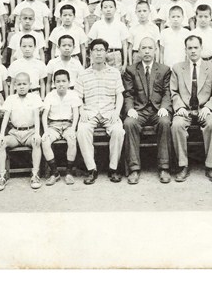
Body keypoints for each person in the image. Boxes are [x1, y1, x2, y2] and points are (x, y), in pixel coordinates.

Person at [170, 35, 212, 182]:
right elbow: (173, 91)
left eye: (196, 47)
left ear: (201, 48)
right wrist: (179, 106)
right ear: (185, 50)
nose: (193, 51)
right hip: (185, 109)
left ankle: (210, 166)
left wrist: (209, 107)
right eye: (190, 48)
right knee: (176, 125)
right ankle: (183, 165)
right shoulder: (177, 68)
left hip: (204, 109)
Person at [75, 39, 126, 184]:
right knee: (82, 130)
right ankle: (91, 169)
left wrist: (116, 112)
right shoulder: (83, 74)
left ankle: (113, 168)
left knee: (118, 131)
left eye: (101, 50)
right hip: (89, 112)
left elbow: (119, 95)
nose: (98, 53)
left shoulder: (114, 73)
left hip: (109, 112)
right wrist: (81, 111)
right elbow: (78, 97)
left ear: (106, 52)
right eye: (95, 50)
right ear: (90, 53)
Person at [122, 37, 172, 184]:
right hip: (139, 110)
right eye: (143, 48)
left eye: (150, 48)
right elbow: (128, 93)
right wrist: (130, 108)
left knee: (164, 122)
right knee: (129, 123)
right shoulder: (131, 70)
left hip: (157, 110)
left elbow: (167, 92)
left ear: (155, 50)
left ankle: (164, 167)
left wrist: (164, 107)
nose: (147, 51)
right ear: (138, 51)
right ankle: (134, 168)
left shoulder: (164, 70)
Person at [0, 72, 44, 191]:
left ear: (30, 85)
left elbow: (37, 117)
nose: (22, 87)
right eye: (19, 84)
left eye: (24, 84)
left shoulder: (34, 98)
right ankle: (2, 176)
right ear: (15, 86)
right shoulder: (11, 99)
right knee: (1, 143)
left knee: (36, 142)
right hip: (15, 133)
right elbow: (5, 117)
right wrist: (1, 135)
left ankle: (35, 174)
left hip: (30, 132)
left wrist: (37, 133)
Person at [41, 69, 82, 185]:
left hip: (68, 125)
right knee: (45, 141)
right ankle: (55, 173)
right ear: (54, 83)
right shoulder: (50, 95)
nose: (61, 84)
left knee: (72, 140)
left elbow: (76, 114)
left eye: (64, 81)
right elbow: (44, 115)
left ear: (69, 82)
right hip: (53, 125)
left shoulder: (73, 95)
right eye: (58, 81)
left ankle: (69, 172)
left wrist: (73, 129)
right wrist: (46, 131)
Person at [87, 0, 129, 71]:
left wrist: (125, 63)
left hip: (115, 54)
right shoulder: (97, 24)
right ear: (101, 10)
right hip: (100, 54)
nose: (108, 10)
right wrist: (92, 61)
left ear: (115, 9)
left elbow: (124, 44)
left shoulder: (121, 25)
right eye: (105, 7)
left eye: (111, 7)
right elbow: (92, 44)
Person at [127, 1, 161, 65]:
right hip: (137, 55)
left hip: (151, 55)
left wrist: (157, 62)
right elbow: (130, 48)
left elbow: (157, 47)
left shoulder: (154, 28)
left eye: (144, 11)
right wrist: (131, 64)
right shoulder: (132, 28)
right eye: (139, 11)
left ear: (149, 12)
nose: (142, 13)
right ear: (135, 13)